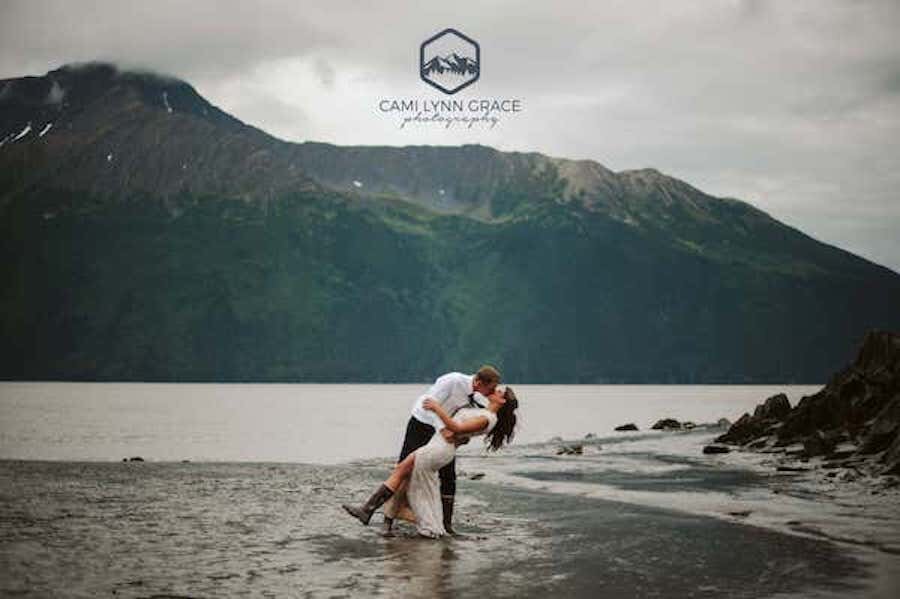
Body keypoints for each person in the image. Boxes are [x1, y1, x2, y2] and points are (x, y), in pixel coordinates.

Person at [342, 386, 519, 538]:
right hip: (439, 446)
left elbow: (457, 428)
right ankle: (374, 511)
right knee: (404, 473)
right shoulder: (483, 411)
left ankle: (371, 511)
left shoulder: (487, 418)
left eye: (499, 391)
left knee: (405, 474)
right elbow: (462, 433)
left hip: (439, 450)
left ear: (502, 401)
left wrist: (436, 408)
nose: (495, 389)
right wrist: (459, 437)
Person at [390, 366, 501, 534]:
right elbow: (426, 403)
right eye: (491, 388)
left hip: (443, 435)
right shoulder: (453, 380)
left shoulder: (475, 397)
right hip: (422, 424)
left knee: (449, 476)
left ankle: (447, 524)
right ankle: (387, 519)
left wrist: (461, 437)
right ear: (479, 382)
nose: (492, 392)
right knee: (404, 469)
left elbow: (471, 421)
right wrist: (442, 428)